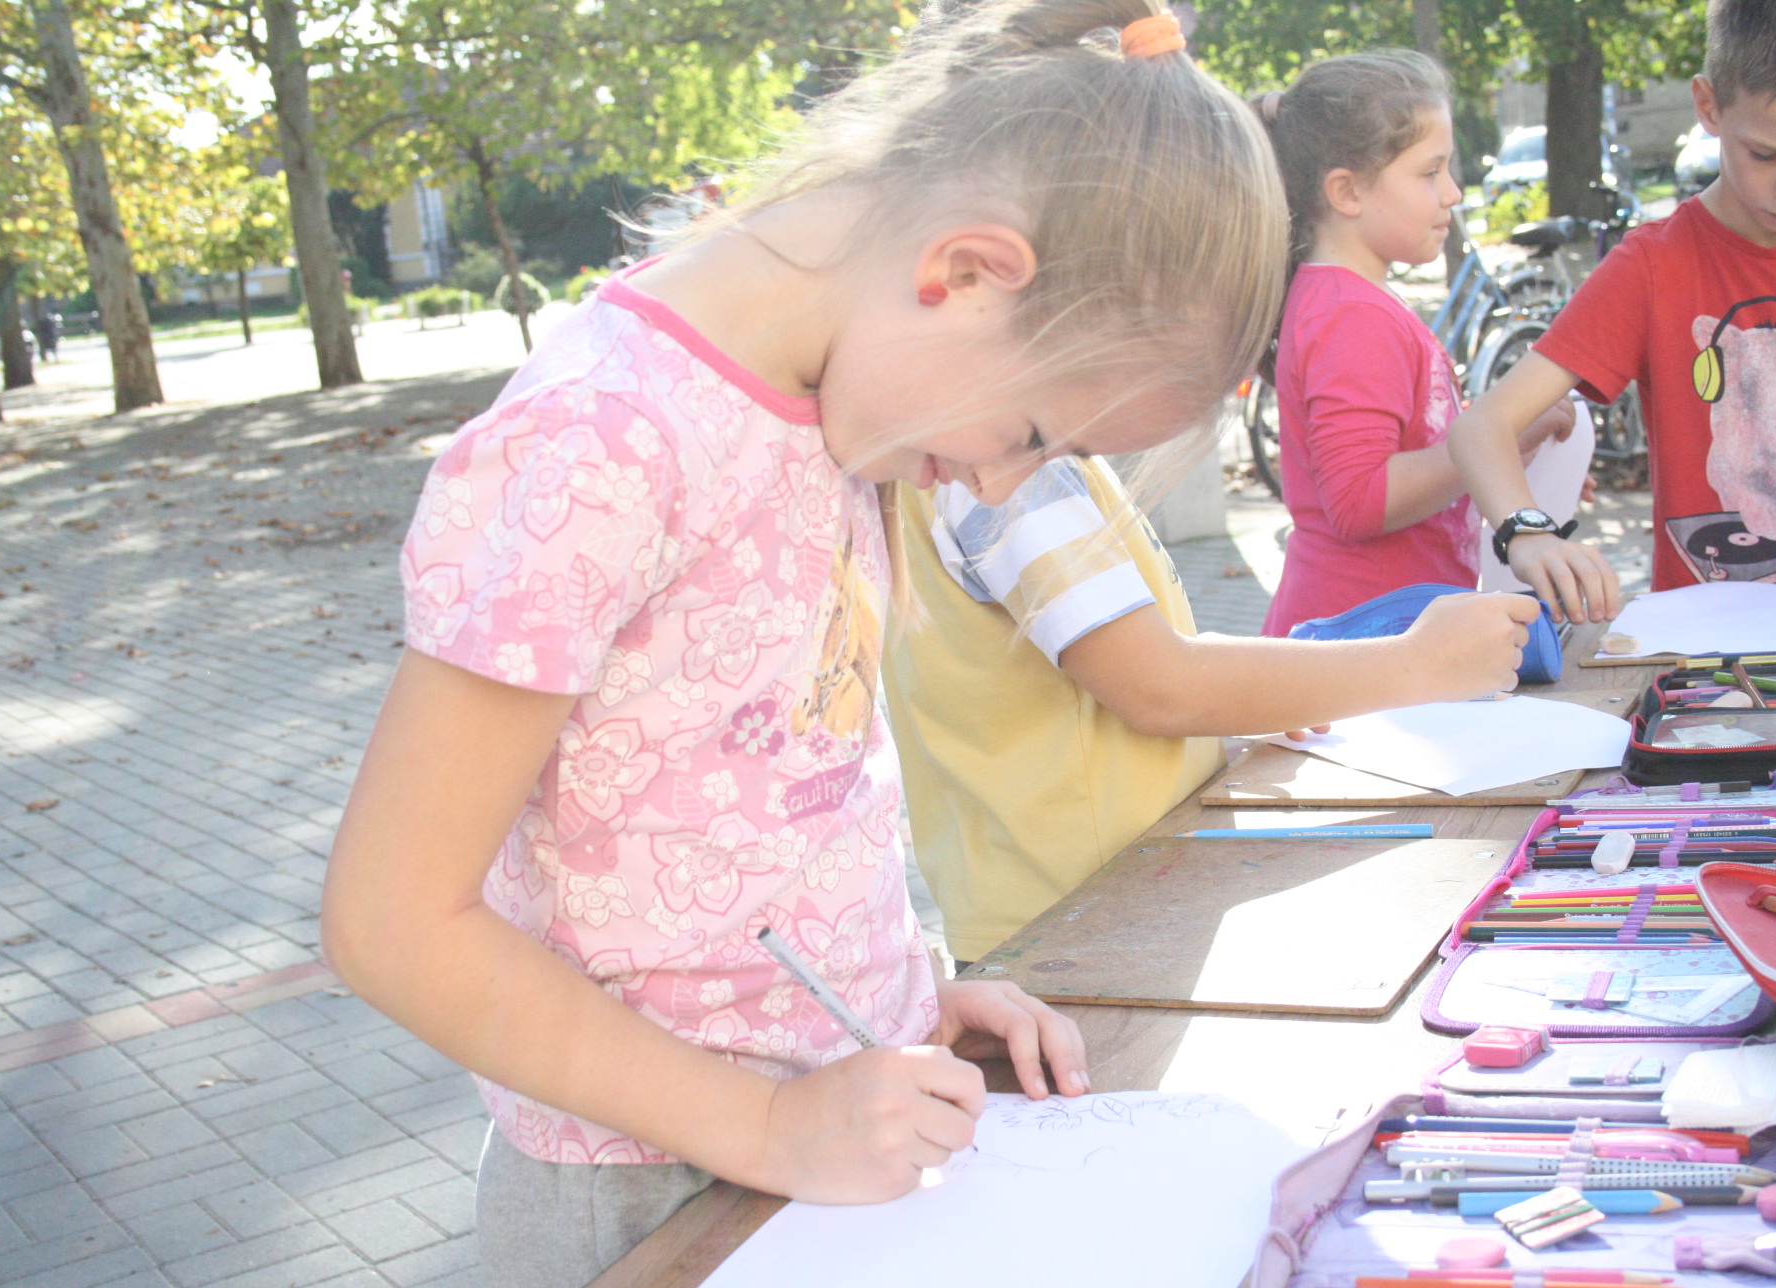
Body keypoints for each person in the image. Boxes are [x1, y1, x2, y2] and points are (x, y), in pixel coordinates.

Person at [320, 3, 1299, 1283]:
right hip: (639, 1190)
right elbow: (393, 920)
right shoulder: (600, 444)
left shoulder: (838, 412)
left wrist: (897, 993)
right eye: (1033, 436)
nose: (1000, 486)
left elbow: (779, 777)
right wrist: (768, 1121)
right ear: (963, 272)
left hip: (837, 1128)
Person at [884, 448, 1539, 966]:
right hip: (1079, 920)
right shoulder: (999, 462)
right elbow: (1158, 686)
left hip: (1099, 895)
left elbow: (1135, 649)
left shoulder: (1003, 448)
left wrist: (1259, 690)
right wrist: (1421, 661)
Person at [1449, 0, 1776, 643]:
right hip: (1707, 650)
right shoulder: (1652, 265)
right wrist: (1526, 532)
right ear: (1708, 106)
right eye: (1765, 153)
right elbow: (1483, 426)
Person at [1251, 51, 1577, 638]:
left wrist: (1510, 457)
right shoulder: (1351, 315)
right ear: (1347, 192)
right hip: (1360, 643)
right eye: (1430, 173)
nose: (1453, 192)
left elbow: (1411, 459)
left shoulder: (1351, 301)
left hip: (1380, 635)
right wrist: (1491, 442)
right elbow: (1360, 502)